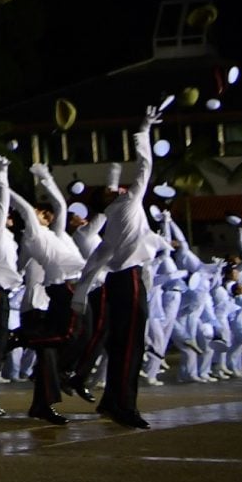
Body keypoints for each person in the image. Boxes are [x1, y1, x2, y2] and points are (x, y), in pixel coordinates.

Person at [71, 105, 170, 430]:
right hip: (130, 280)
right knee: (131, 345)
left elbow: (97, 259)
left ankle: (113, 400)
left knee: (119, 344)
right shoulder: (127, 204)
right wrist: (143, 130)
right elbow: (145, 166)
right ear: (112, 197)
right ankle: (123, 405)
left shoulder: (112, 220)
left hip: (117, 282)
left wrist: (81, 294)